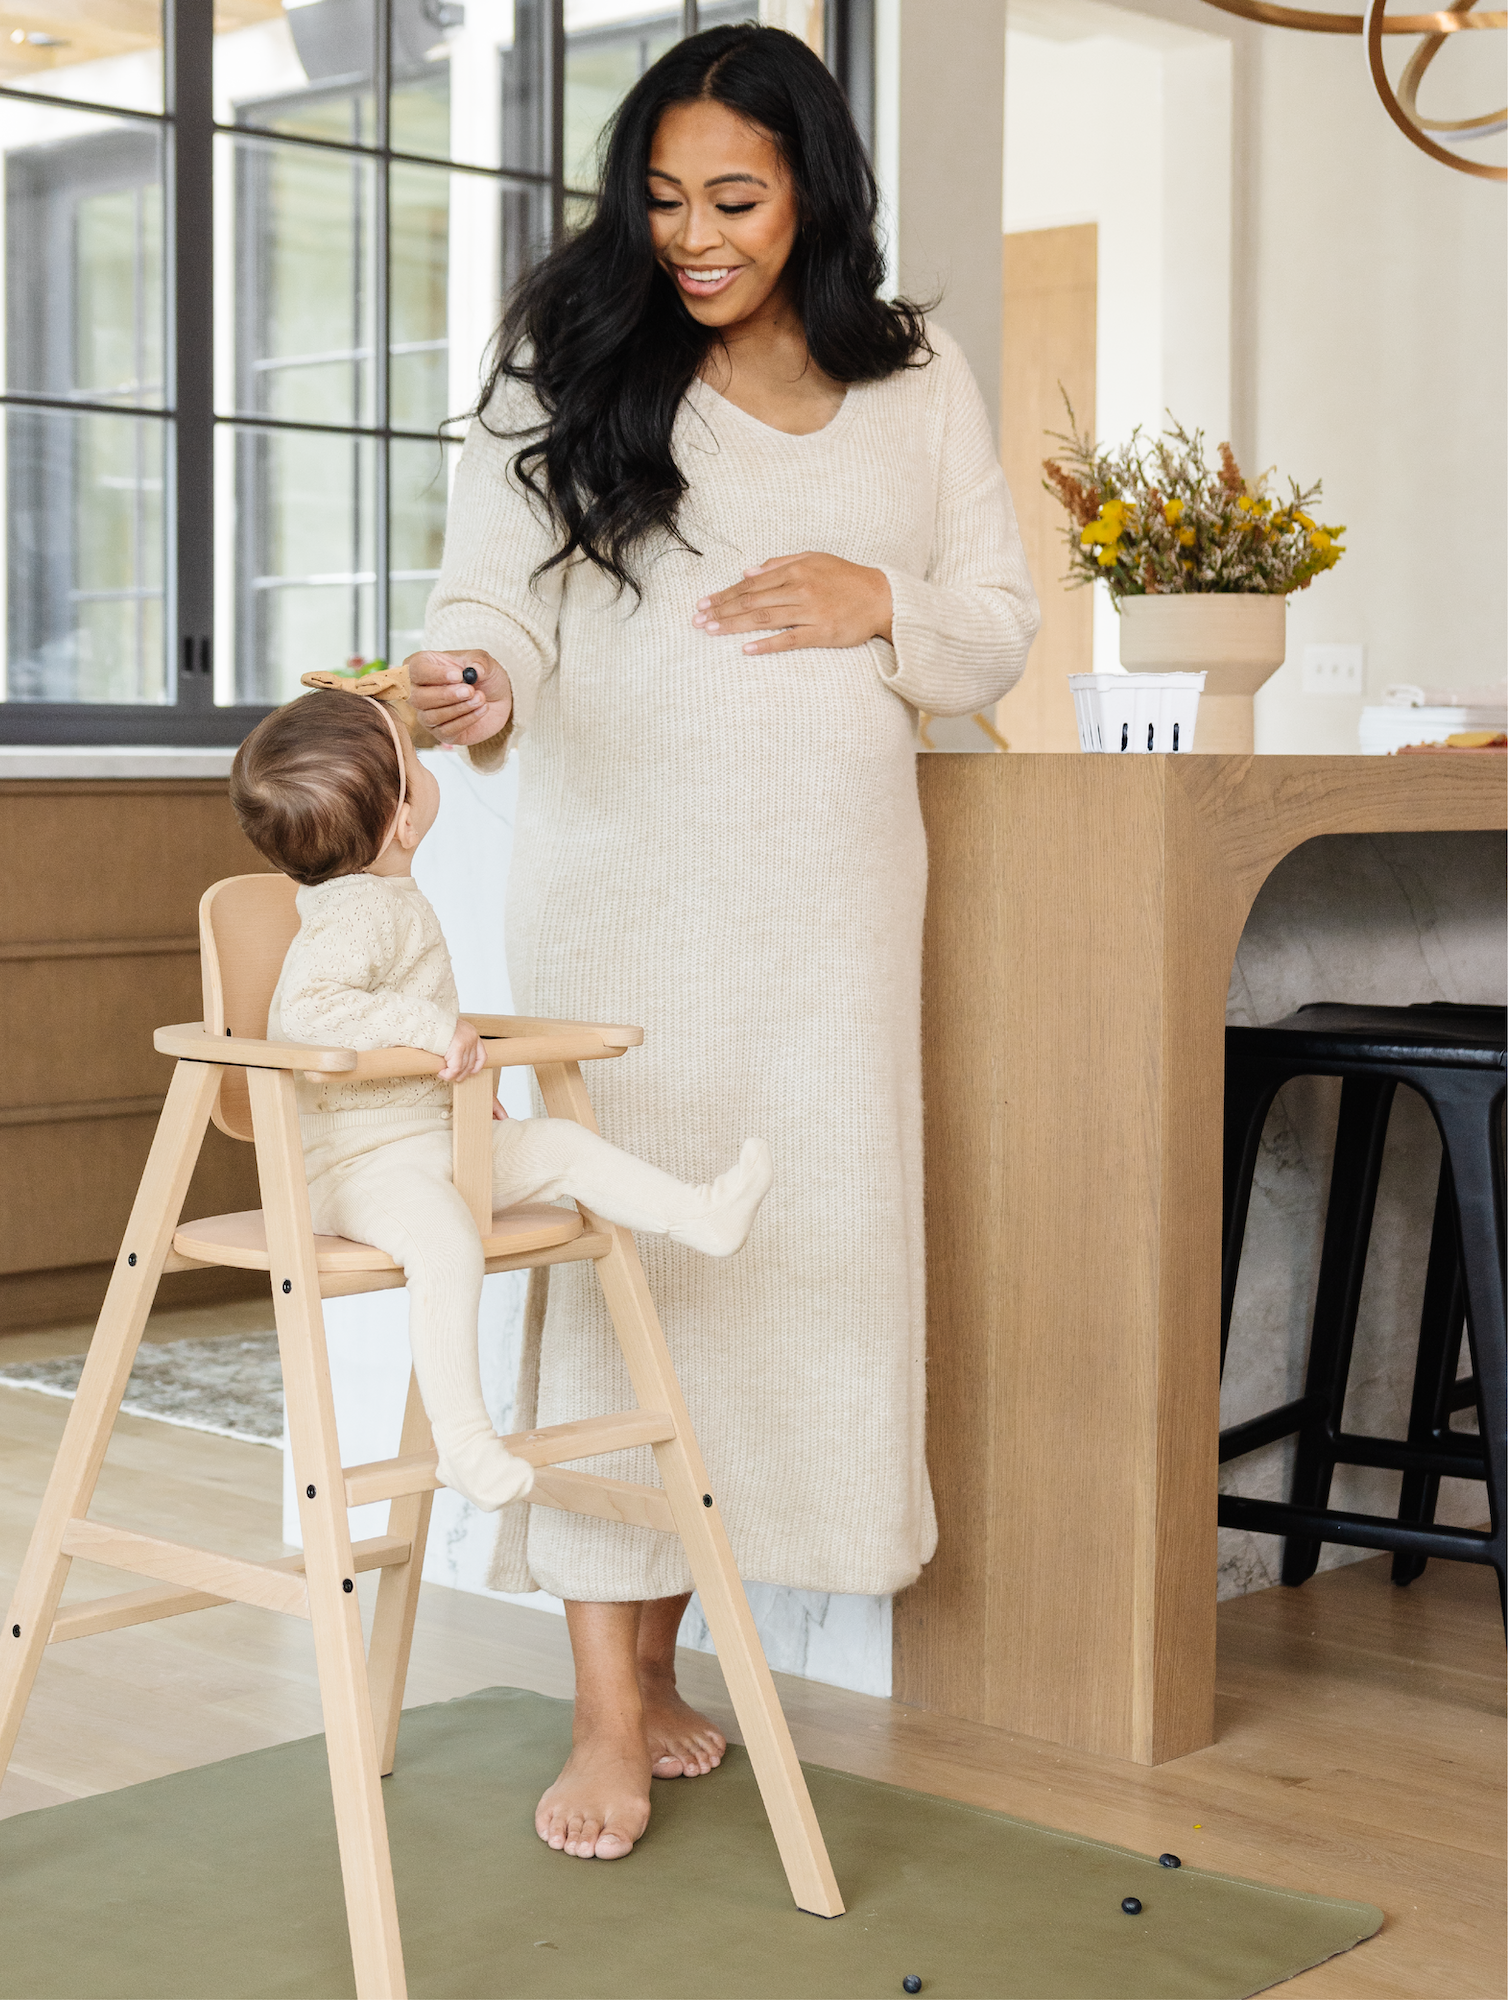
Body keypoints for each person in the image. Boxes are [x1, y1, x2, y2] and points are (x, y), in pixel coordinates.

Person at [403, 24, 1040, 1862]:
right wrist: (473, 677)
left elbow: (996, 623)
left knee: (773, 1259)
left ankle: (670, 1658)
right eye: (667, 198)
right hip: (626, 889)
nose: (694, 236)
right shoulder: (572, 357)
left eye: (737, 201)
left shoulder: (912, 381)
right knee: (631, 1263)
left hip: (835, 906)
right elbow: (491, 598)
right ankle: (605, 1706)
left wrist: (877, 596)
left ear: (813, 196)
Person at [229, 686, 775, 1518]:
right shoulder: (356, 911)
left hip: (429, 1143)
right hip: (360, 1171)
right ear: (403, 820)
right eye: (412, 761)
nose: (425, 766)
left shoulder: (380, 897)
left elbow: (391, 1023)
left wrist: (450, 1072)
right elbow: (309, 1013)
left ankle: (699, 1215)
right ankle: (464, 1445)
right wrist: (432, 1031)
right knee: (446, 1243)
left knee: (561, 1147)